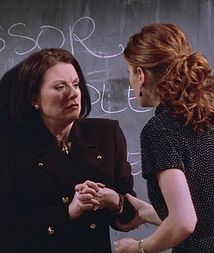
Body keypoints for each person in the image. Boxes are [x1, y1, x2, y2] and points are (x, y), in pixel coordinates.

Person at [113, 23, 214, 253]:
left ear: (141, 75)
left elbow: (184, 222)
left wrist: (139, 247)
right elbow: (213, 218)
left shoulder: (160, 130)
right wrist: (147, 213)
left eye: (130, 72)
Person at [0, 48, 136, 253]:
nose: (73, 94)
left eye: (75, 84)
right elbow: (9, 227)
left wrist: (114, 201)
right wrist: (69, 212)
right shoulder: (11, 148)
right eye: (60, 87)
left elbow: (128, 217)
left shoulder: (107, 134)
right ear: (34, 98)